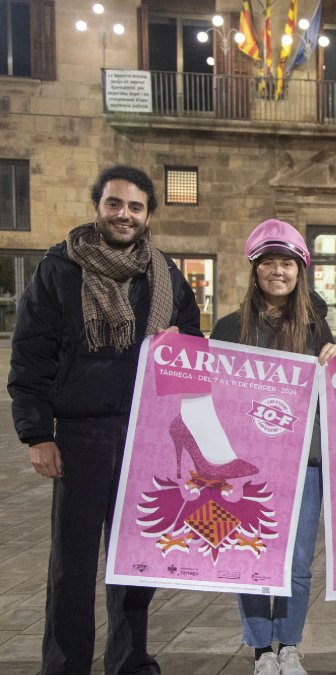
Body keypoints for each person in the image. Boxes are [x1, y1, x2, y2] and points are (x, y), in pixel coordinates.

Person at [8, 165, 202, 674]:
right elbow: (30, 356)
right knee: (72, 566)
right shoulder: (60, 269)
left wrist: (182, 345)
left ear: (147, 215)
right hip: (80, 435)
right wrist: (35, 433)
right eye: (114, 204)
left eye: (135, 207)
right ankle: (66, 664)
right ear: (98, 207)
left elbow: (192, 344)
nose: (124, 215)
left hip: (145, 434)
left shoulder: (165, 274)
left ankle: (129, 661)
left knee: (136, 560)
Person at [210, 219, 336, 675]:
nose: (278, 271)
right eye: (269, 263)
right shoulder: (228, 327)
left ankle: (289, 645)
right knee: (251, 553)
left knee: (298, 561)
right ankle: (261, 649)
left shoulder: (317, 327)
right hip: (246, 464)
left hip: (305, 462)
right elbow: (210, 390)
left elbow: (333, 391)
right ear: (255, 269)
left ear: (300, 272)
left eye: (287, 263)